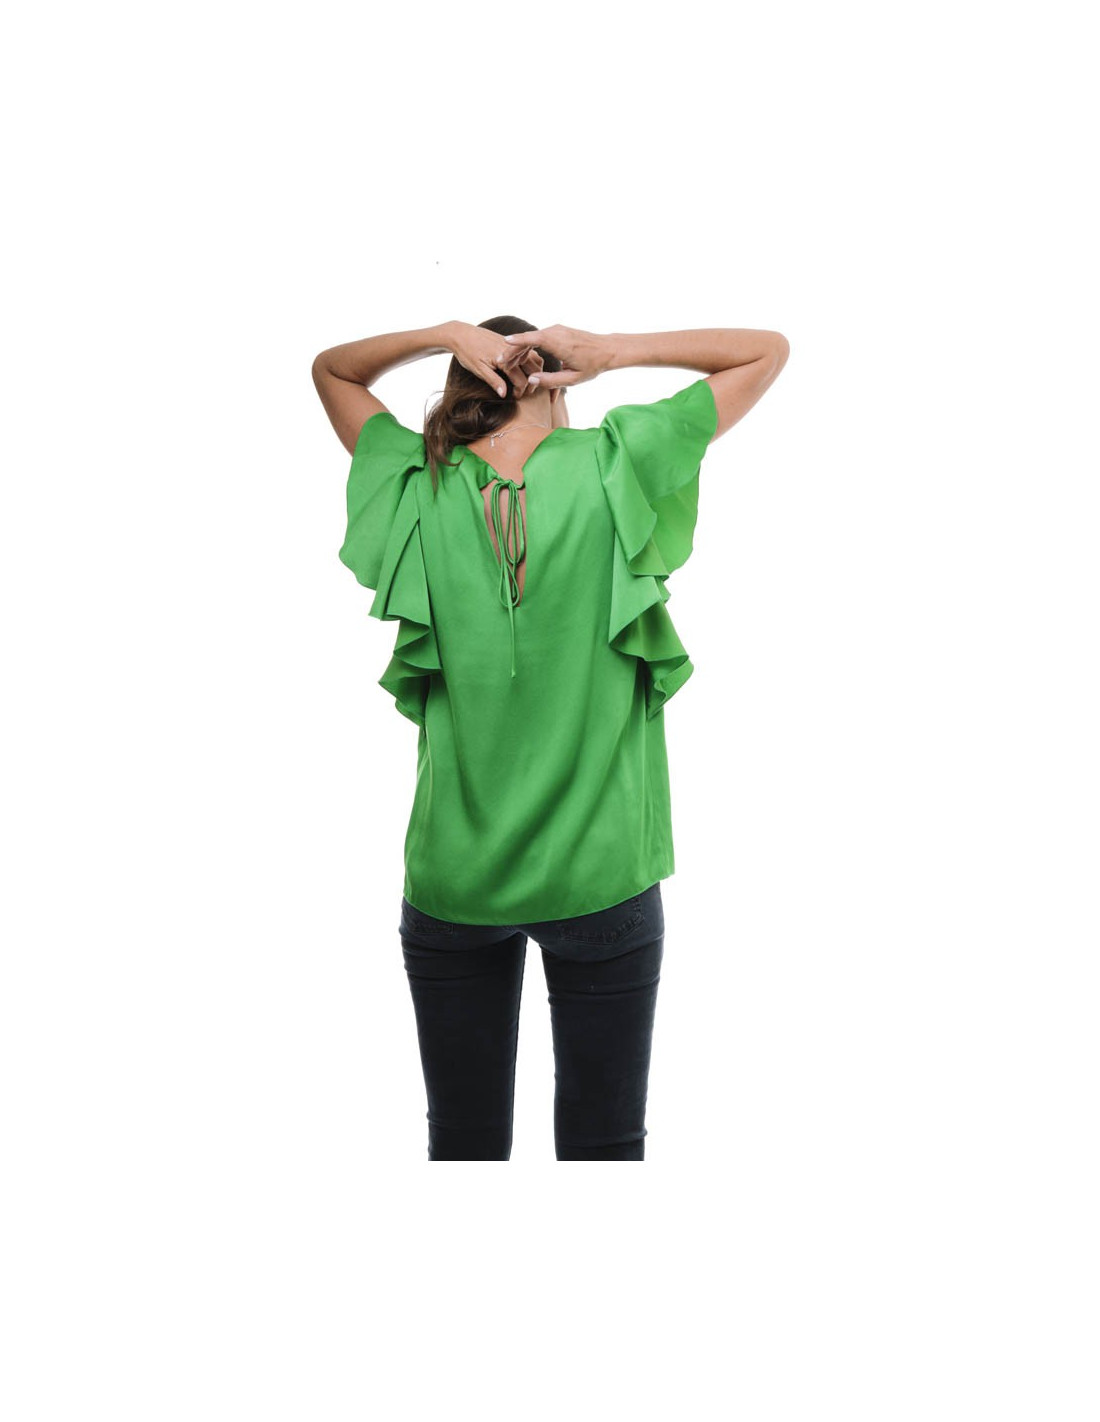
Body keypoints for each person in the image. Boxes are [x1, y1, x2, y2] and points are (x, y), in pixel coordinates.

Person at [312, 318, 790, 1160]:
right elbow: (766, 350)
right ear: (548, 379)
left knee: (462, 1149)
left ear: (466, 380)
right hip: (601, 875)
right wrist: (614, 354)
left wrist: (441, 334)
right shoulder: (617, 462)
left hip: (453, 877)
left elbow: (333, 371)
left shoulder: (418, 480)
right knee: (605, 1150)